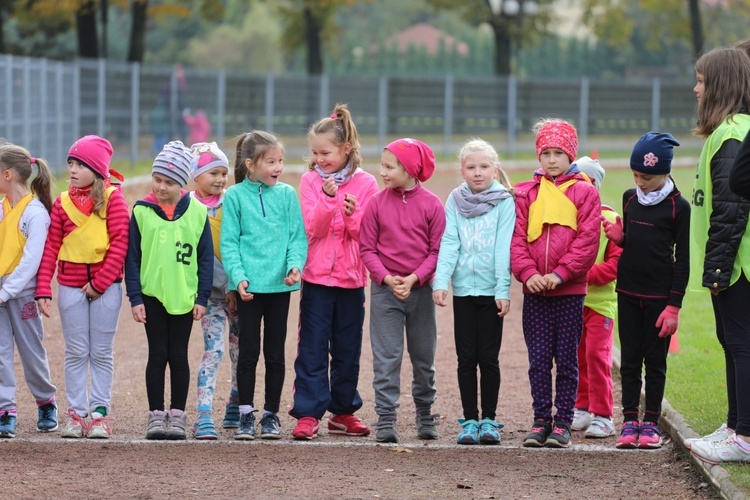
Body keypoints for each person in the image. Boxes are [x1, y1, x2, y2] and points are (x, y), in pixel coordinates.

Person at [289, 104, 379, 440]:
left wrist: (354, 215)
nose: (319, 158)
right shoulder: (310, 180)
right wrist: (328, 201)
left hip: (352, 281)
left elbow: (366, 236)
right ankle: (309, 413)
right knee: (311, 347)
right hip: (316, 280)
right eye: (314, 152)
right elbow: (313, 229)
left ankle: (342, 412)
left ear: (345, 149)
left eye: (325, 152)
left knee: (347, 349)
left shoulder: (367, 183)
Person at [511, 119, 601, 449]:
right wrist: (529, 274)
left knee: (565, 360)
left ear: (571, 155)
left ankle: (562, 421)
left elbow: (588, 241)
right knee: (538, 361)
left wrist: (560, 273)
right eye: (545, 152)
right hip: (535, 292)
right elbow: (517, 238)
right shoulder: (526, 192)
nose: (551, 160)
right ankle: (540, 420)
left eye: (559, 153)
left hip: (569, 291)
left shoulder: (585, 191)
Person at [36, 135, 129, 439]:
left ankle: (99, 413)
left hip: (106, 288)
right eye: (71, 163)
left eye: (81, 164)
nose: (73, 169)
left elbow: (119, 244)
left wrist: (100, 283)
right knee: (76, 352)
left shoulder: (113, 198)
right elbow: (51, 247)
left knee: (101, 352)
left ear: (98, 169)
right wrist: (43, 288)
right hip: (70, 288)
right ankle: (76, 414)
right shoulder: (62, 202)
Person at [600, 132, 689, 449]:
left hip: (659, 301)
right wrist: (620, 238)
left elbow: (683, 260)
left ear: (665, 172)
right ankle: (629, 423)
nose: (640, 182)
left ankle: (650, 423)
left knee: (655, 362)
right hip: (627, 293)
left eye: (647, 177)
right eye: (636, 175)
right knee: (629, 362)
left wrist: (674, 306)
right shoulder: (628, 198)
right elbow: (633, 243)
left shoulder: (680, 207)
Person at [221, 131, 307, 440]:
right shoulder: (234, 197)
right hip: (249, 289)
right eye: (271, 161)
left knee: (274, 353)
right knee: (248, 353)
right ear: (251, 165)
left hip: (280, 288)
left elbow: (296, 237)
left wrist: (295, 266)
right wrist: (238, 276)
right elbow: (229, 243)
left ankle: (271, 414)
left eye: (280, 161)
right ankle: (245, 413)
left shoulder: (286, 195)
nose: (278, 167)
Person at [360, 138, 446, 443]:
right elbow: (367, 248)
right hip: (386, 292)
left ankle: (425, 412)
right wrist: (385, 278)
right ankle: (386, 417)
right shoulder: (375, 203)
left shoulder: (432, 204)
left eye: (389, 166)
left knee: (424, 355)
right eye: (382, 165)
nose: (382, 172)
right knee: (387, 356)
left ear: (409, 169)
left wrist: (414, 278)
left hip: (420, 292)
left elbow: (437, 251)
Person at [125, 140, 212, 440]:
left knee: (178, 354)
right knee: (157, 353)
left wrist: (202, 297)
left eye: (170, 182)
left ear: (183, 182)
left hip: (184, 297)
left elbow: (205, 259)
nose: (161, 187)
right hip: (152, 296)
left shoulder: (198, 212)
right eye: (157, 179)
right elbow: (132, 258)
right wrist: (135, 297)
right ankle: (155, 414)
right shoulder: (141, 212)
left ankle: (177, 415)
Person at [688, 48, 750, 464]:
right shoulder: (730, 131)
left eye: (702, 80)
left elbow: (731, 208)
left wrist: (717, 268)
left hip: (739, 263)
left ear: (721, 86)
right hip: (734, 261)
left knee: (741, 344)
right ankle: (734, 425)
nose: (696, 89)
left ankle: (744, 436)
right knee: (731, 342)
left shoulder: (730, 133)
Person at [432, 138, 515, 445]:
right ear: (462, 171)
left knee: (488, 358)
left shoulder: (505, 201)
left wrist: (502, 290)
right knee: (466, 358)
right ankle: (469, 420)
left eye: (483, 166)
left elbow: (504, 247)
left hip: (493, 292)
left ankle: (489, 420)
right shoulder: (455, 199)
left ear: (495, 169)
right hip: (464, 292)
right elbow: (450, 242)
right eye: (470, 167)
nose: (477, 172)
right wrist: (442, 282)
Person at [0, 144, 57, 438]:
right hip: (0, 290)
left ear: (7, 174)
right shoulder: (1, 206)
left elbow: (30, 262)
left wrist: (5, 292)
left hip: (21, 292)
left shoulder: (35, 213)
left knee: (31, 350)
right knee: (0, 353)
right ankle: (5, 410)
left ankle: (46, 402)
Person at [188, 141, 241, 439]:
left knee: (239, 351)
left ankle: (235, 399)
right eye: (213, 173)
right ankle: (204, 413)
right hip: (208, 297)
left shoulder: (232, 201)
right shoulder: (189, 206)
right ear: (197, 176)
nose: (220, 179)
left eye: (224, 172)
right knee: (214, 351)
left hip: (236, 292)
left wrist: (235, 283)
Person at [570, 156, 622, 439]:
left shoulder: (611, 221)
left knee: (597, 355)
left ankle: (603, 415)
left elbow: (615, 265)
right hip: (574, 302)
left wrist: (581, 273)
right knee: (577, 355)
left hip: (600, 305)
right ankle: (582, 407)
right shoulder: (567, 217)